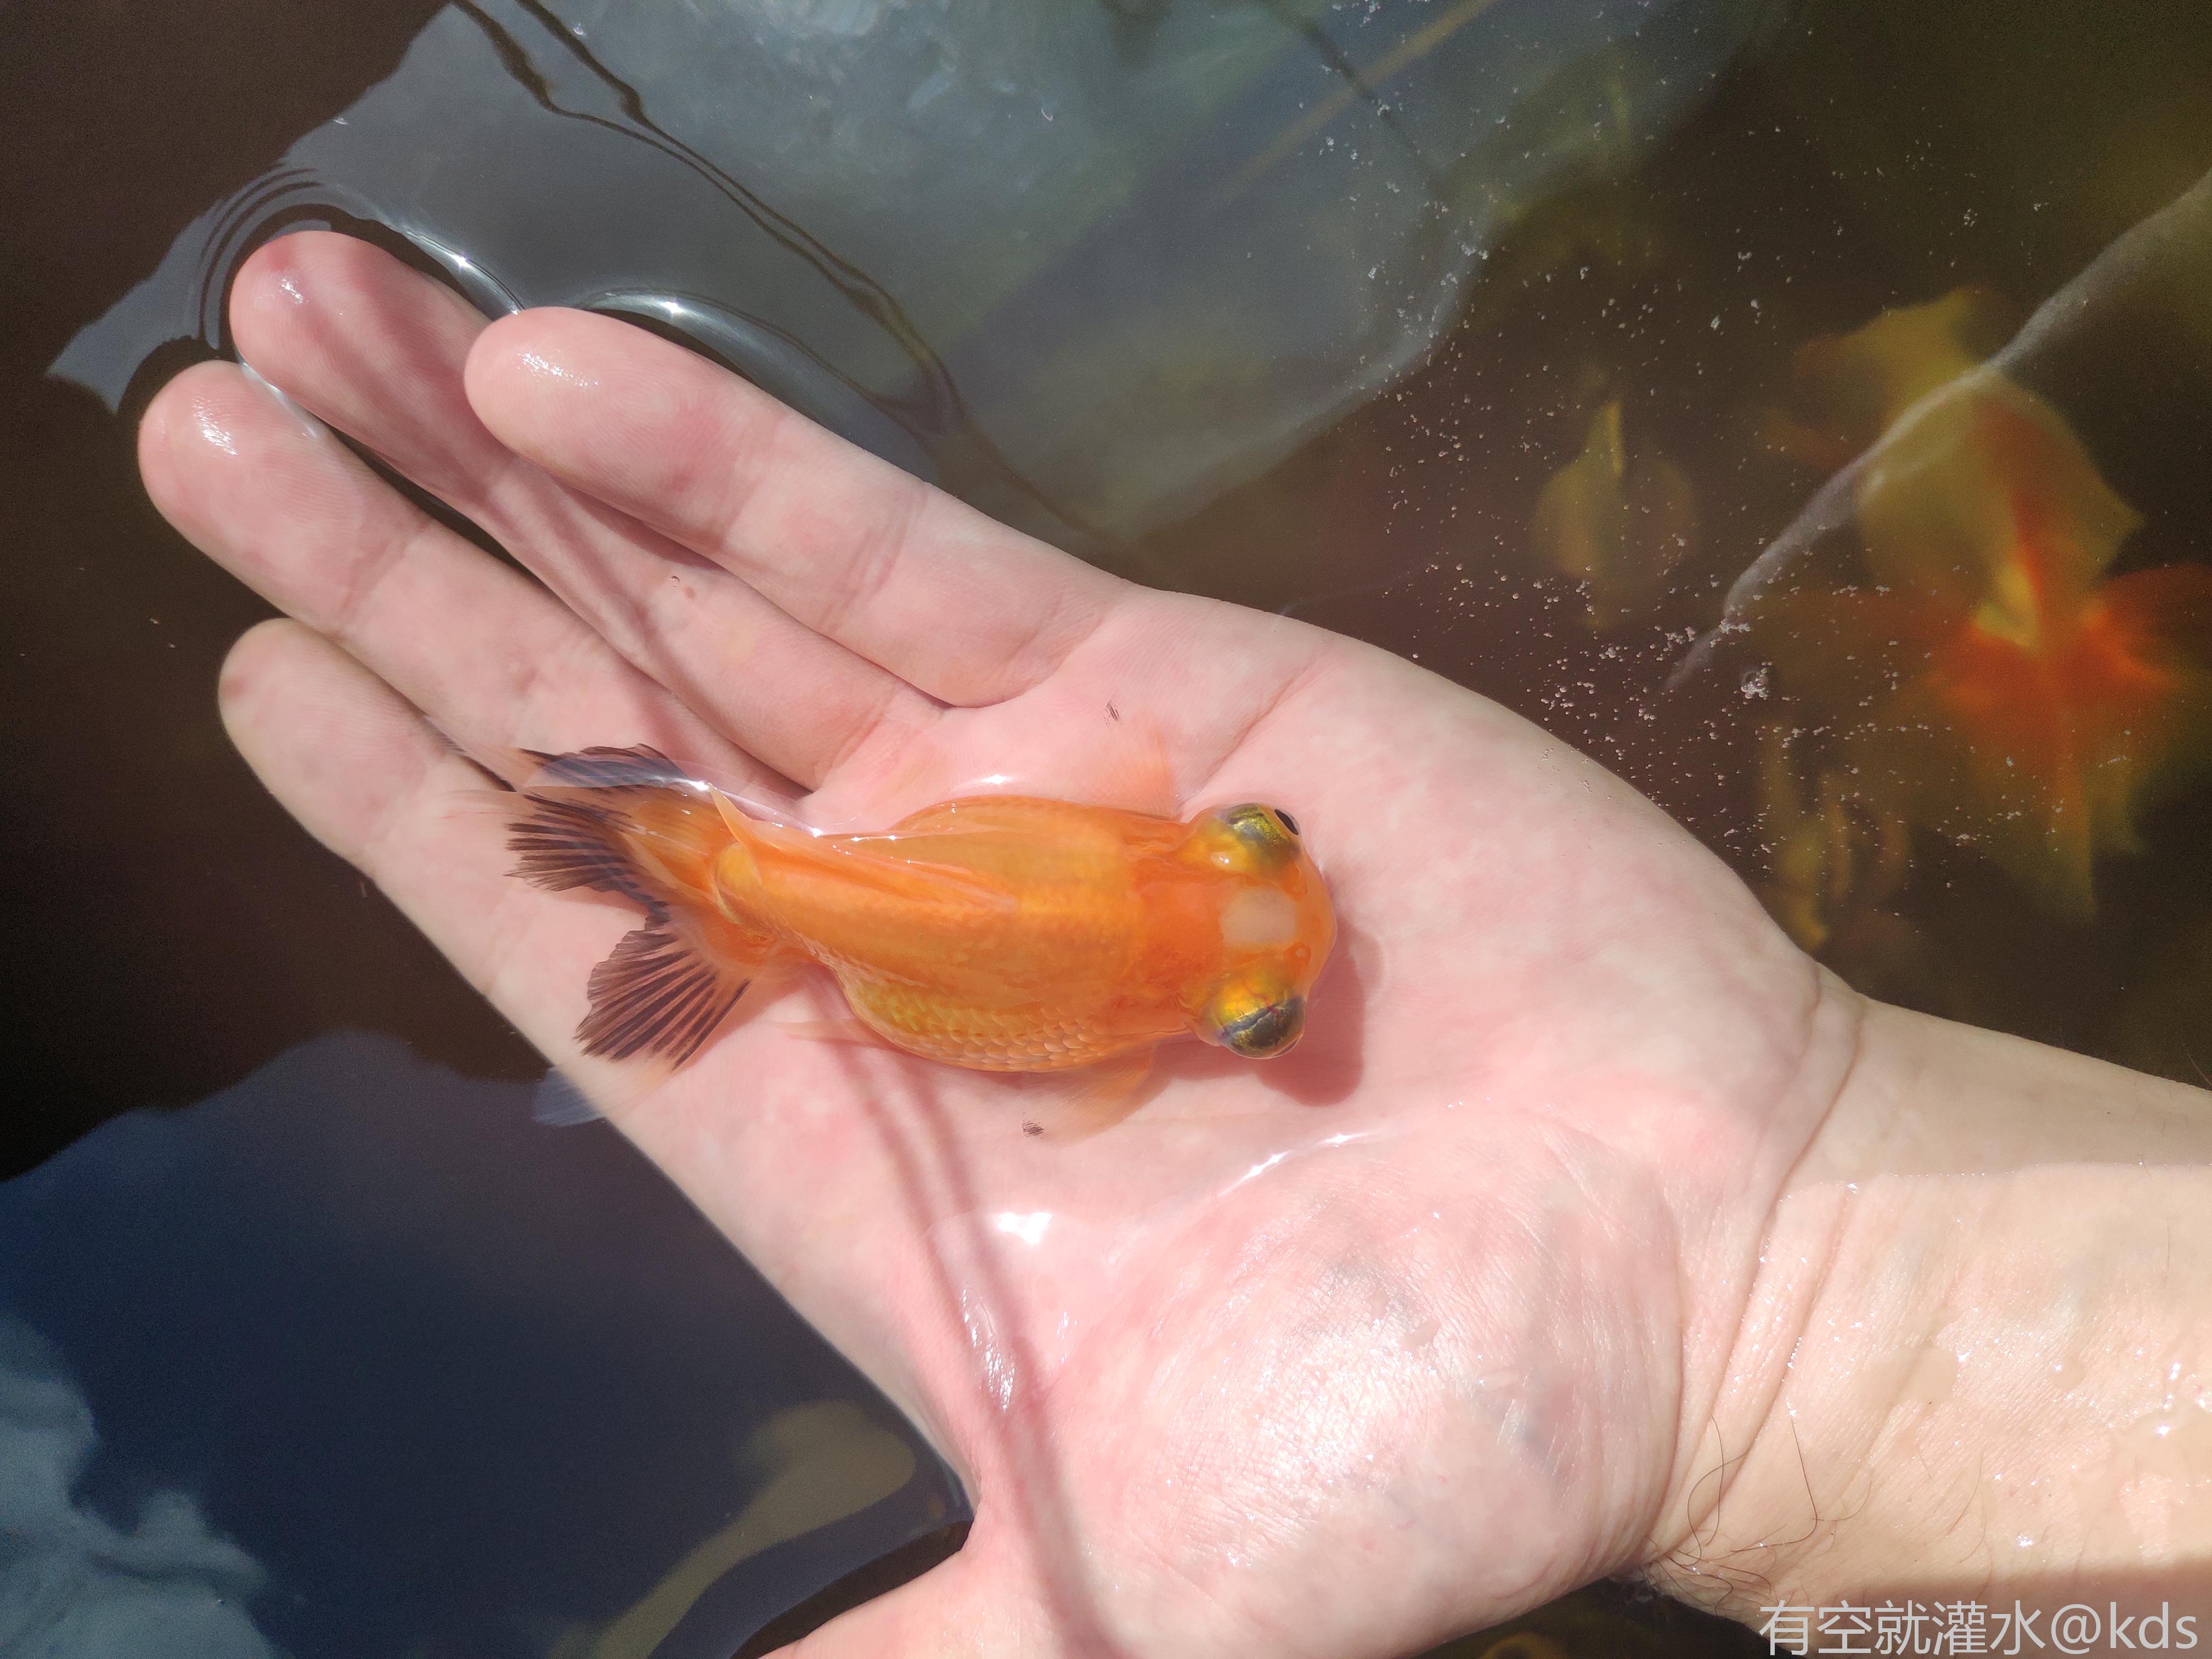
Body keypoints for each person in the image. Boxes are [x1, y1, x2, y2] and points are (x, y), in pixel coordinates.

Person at [138, 231, 2212, 1658]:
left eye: (1267, 979)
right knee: (778, 891)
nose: (1286, 919)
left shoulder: (1109, 923)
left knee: (780, 890)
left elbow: (1003, 916)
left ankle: (708, 878)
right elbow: (1056, 980)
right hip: (884, 906)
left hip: (876, 901)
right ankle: (706, 880)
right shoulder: (1131, 996)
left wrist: (1772, 1316)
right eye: (1258, 862)